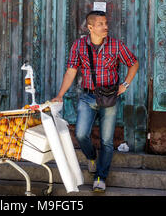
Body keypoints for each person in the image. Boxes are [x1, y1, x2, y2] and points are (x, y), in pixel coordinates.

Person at [51, 10, 139, 193]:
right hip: (88, 96)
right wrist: (60, 95)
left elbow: (133, 63)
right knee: (81, 134)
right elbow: (71, 71)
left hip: (110, 97)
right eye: (101, 24)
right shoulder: (79, 45)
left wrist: (125, 85)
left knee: (107, 141)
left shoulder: (115, 45)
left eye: (106, 23)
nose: (105, 27)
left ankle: (100, 177)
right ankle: (91, 157)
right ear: (90, 27)